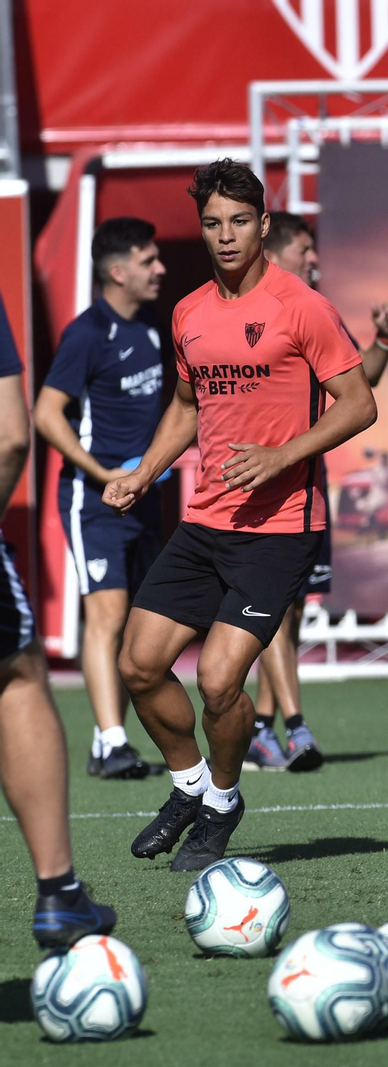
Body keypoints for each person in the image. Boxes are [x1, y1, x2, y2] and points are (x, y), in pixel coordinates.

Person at [107, 160, 377, 871]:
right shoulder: (189, 312)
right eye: (212, 223)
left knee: (220, 679)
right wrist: (143, 473)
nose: (225, 235)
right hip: (206, 521)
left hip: (279, 528)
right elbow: (186, 407)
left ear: (262, 225)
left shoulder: (302, 307)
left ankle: (222, 803)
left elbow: (359, 404)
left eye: (238, 221)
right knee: (138, 664)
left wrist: (282, 455)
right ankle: (190, 785)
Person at [246, 211, 388, 770]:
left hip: (308, 484)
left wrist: (385, 340)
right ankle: (294, 728)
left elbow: (362, 384)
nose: (314, 258)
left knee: (288, 611)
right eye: (304, 248)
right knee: (270, 608)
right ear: (275, 252)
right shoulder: (254, 313)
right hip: (263, 488)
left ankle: (261, 730)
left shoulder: (313, 310)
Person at [0, 295, 119, 946]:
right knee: (16, 676)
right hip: (100, 497)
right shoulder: (87, 333)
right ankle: (58, 892)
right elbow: (14, 433)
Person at [34, 217, 167, 780]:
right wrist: (103, 473)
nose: (160, 269)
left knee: (143, 624)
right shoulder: (86, 333)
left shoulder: (154, 329)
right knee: (107, 615)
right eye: (148, 260)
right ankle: (113, 742)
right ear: (117, 272)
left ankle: (104, 740)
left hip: (145, 499)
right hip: (94, 502)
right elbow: (45, 414)